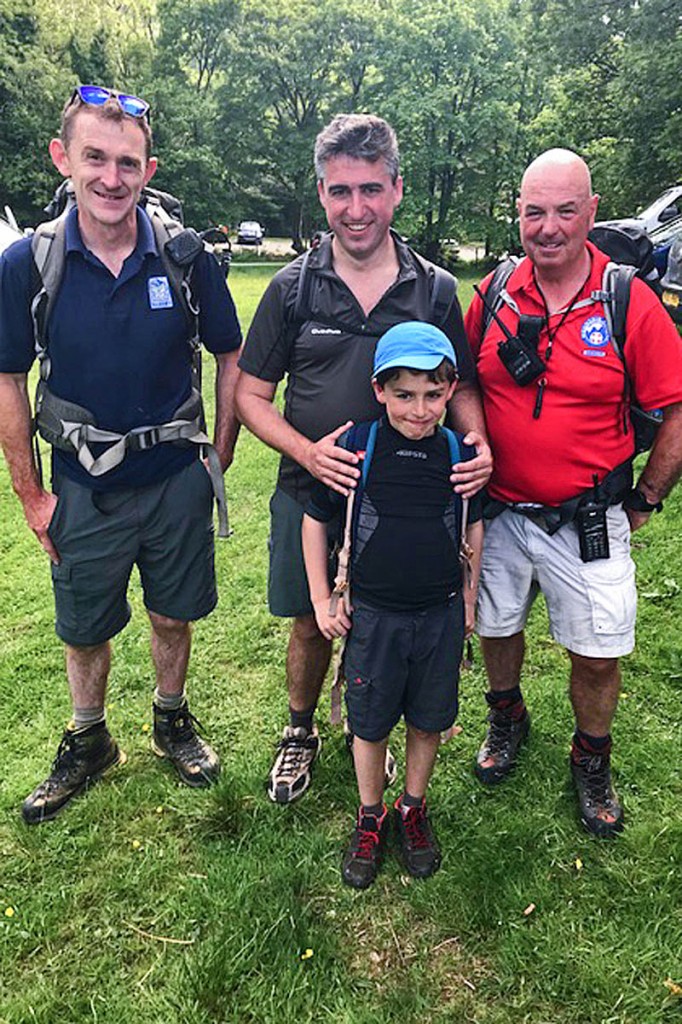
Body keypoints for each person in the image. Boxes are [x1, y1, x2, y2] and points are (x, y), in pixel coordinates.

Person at [0, 84, 242, 824]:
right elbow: (8, 378)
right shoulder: (25, 265)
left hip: (175, 480)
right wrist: (31, 492)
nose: (111, 177)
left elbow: (230, 357)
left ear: (148, 168)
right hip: (80, 484)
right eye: (95, 157)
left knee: (174, 615)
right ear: (63, 157)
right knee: (84, 627)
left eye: (127, 162)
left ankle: (171, 720)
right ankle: (89, 738)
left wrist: (219, 459)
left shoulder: (184, 256)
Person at [235, 113, 491, 805]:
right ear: (321, 193)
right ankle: (300, 730)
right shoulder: (291, 287)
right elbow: (249, 396)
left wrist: (479, 444)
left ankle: (383, 724)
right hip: (311, 488)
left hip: (411, 494)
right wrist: (306, 453)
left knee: (409, 616)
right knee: (312, 616)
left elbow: (457, 382)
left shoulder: (435, 288)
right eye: (341, 191)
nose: (356, 209)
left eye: (371, 190)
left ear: (397, 189)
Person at [465, 148, 682, 837]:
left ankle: (592, 759)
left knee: (597, 651)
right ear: (519, 216)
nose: (549, 226)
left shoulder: (628, 300)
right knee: (494, 628)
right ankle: (508, 718)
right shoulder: (494, 292)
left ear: (591, 212)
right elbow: (461, 380)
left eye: (565, 210)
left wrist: (647, 495)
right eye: (534, 211)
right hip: (498, 511)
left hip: (589, 517)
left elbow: (676, 407)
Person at [302, 322, 482, 888]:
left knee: (429, 720)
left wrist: (470, 602)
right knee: (370, 721)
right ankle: (371, 814)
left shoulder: (458, 452)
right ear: (379, 389)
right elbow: (314, 521)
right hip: (371, 615)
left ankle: (413, 807)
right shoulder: (356, 447)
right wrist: (319, 599)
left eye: (433, 394)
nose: (420, 409)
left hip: (440, 613)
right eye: (404, 394)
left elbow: (473, 528)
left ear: (451, 389)